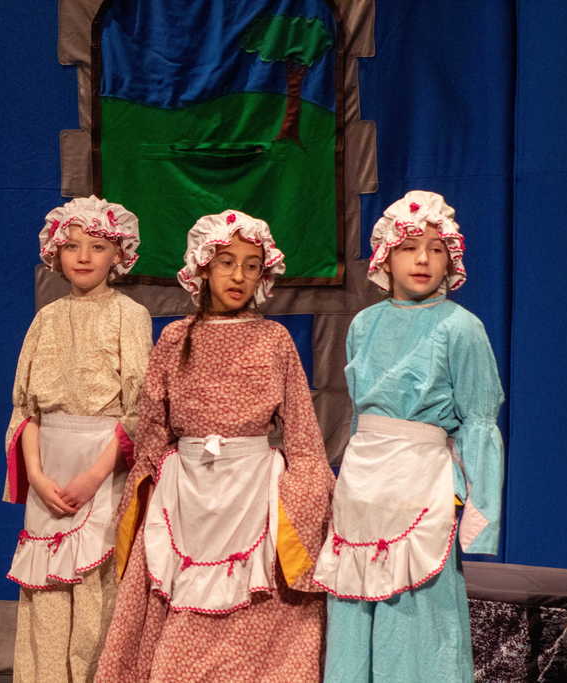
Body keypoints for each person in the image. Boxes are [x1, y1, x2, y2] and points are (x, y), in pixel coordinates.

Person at [96, 210, 334, 682]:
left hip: (252, 492)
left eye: (250, 265)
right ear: (203, 267)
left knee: (257, 608)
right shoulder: (176, 338)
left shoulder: (274, 339)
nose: (239, 276)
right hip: (188, 495)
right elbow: (153, 430)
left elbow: (303, 434)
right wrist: (149, 489)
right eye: (227, 262)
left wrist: (306, 494)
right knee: (181, 607)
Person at [312, 190, 505, 682]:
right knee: (355, 614)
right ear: (386, 256)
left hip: (422, 484)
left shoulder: (461, 328)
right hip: (363, 486)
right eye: (409, 246)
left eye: (436, 248)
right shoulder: (363, 325)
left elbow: (479, 421)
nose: (423, 259)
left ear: (451, 260)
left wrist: (474, 506)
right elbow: (359, 415)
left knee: (419, 619)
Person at [3, 196, 152, 682]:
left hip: (102, 470)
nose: (83, 256)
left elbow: (138, 411)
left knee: (96, 592)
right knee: (45, 596)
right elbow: (27, 411)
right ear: (55, 253)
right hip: (50, 469)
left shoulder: (129, 315)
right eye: (72, 246)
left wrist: (93, 475)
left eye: (97, 246)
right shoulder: (45, 319)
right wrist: (39, 477)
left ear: (118, 254)